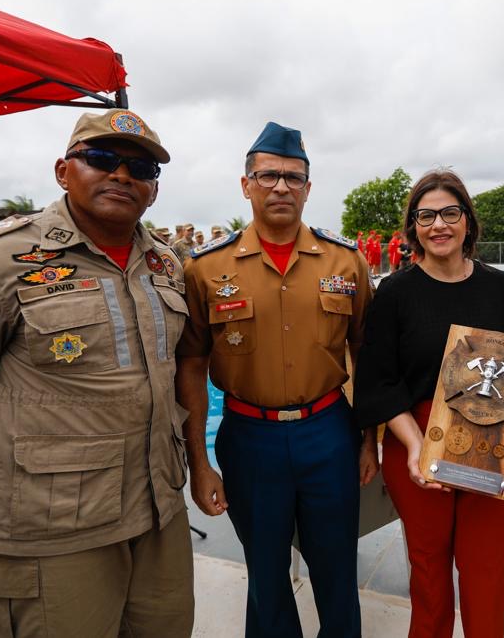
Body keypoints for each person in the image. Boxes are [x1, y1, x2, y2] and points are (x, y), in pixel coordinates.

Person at [0, 108, 194, 638]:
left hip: (157, 510)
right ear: (64, 171)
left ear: (153, 191)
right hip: (53, 527)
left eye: (141, 168)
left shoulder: (165, 264)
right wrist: (23, 448)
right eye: (102, 159)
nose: (122, 175)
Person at [176, 121, 378, 638]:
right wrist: (199, 462)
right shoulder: (205, 269)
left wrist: (368, 439)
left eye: (294, 177)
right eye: (268, 176)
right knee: (265, 575)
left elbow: (367, 352)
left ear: (309, 187)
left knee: (337, 570)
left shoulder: (346, 261)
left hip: (329, 432)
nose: (282, 187)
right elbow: (192, 365)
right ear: (246, 185)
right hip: (249, 438)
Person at [354, 170, 504, 638]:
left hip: (488, 435)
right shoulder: (396, 293)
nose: (438, 225)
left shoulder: (496, 287)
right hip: (418, 429)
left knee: (485, 566)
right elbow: (380, 382)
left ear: (467, 220)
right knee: (429, 571)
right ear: (413, 227)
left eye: (450, 213)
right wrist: (412, 445)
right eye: (425, 216)